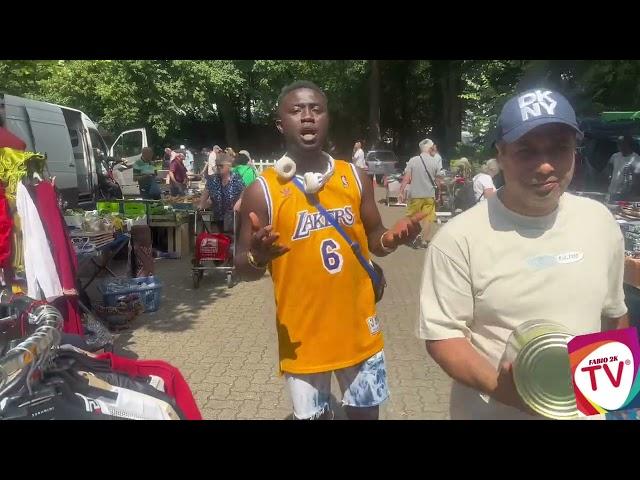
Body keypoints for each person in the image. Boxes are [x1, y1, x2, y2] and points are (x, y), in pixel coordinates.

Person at [418, 88, 629, 420]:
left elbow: (613, 315)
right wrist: (517, 394)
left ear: (575, 151)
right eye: (526, 151)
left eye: (559, 148)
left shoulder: (599, 221)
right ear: (501, 155)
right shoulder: (459, 238)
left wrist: (619, 404)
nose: (545, 166)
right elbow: (443, 337)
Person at [235, 81, 424, 420]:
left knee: (366, 415)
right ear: (281, 124)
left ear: (327, 119)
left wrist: (392, 239)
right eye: (296, 111)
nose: (307, 117)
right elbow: (241, 268)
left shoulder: (354, 176)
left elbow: (375, 238)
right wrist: (257, 258)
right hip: (303, 338)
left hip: (359, 331)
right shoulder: (260, 191)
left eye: (316, 109)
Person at [399, 138, 444, 248]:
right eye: (432, 146)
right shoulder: (435, 161)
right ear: (429, 148)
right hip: (429, 195)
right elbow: (438, 181)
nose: (434, 148)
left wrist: (401, 192)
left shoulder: (413, 160)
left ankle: (414, 237)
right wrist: (439, 194)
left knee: (412, 218)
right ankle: (424, 241)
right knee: (428, 219)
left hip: (415, 195)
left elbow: (406, 178)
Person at [198, 153, 244, 232]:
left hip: (232, 218)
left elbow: (244, 192)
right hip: (217, 217)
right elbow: (206, 192)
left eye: (221, 165)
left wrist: (239, 202)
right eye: (217, 165)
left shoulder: (236, 178)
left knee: (231, 240)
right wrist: (201, 204)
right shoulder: (212, 179)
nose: (218, 167)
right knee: (218, 240)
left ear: (229, 166)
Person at [607, 135, 640, 201]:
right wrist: (610, 175)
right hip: (612, 191)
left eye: (621, 143)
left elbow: (637, 179)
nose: (619, 145)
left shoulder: (636, 159)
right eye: (618, 143)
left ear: (628, 144)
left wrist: (632, 194)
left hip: (624, 194)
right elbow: (609, 165)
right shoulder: (615, 156)